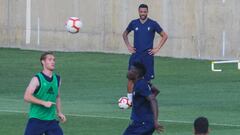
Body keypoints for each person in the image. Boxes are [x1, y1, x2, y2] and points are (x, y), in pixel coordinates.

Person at [122, 3, 168, 104]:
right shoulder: (134, 23)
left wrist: (157, 48)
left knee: (146, 81)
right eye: (141, 11)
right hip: (136, 56)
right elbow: (125, 34)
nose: (143, 13)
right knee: (131, 78)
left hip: (147, 57)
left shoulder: (153, 24)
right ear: (138, 12)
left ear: (147, 12)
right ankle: (129, 101)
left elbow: (164, 36)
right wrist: (129, 46)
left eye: (144, 12)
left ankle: (149, 97)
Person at [24, 52, 66, 135]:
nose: (53, 62)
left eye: (54, 60)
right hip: (36, 120)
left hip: (51, 121)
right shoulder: (37, 79)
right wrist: (43, 103)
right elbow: (26, 97)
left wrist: (59, 112)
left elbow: (57, 96)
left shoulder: (57, 79)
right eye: (50, 59)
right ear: (43, 62)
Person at [123, 62, 163, 135]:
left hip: (142, 124)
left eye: (131, 70)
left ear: (137, 74)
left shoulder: (140, 85)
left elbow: (153, 100)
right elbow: (156, 91)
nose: (129, 72)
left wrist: (155, 120)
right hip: (145, 123)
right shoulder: (142, 83)